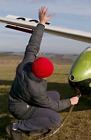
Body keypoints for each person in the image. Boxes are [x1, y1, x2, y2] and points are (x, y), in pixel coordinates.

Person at [6, 7, 79, 140]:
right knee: (54, 118)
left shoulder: (27, 64)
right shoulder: (35, 88)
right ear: (41, 75)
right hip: (21, 108)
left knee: (56, 94)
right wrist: (70, 101)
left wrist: (41, 23)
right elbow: (52, 105)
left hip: (20, 99)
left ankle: (34, 125)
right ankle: (17, 127)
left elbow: (33, 45)